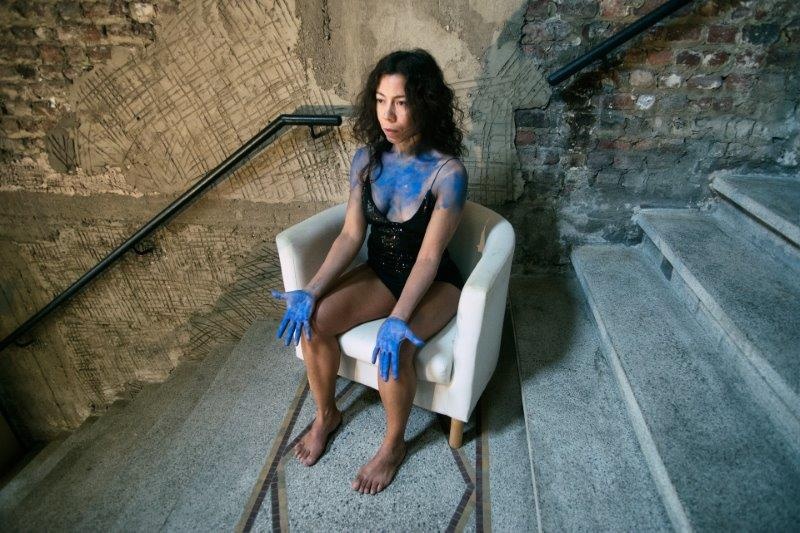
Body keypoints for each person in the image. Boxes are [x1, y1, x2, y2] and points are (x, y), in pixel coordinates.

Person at [271, 49, 468, 495]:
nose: (388, 115)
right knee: (313, 319)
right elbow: (349, 236)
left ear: (425, 104)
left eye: (400, 102)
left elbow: (428, 258)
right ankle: (327, 415)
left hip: (435, 282)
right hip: (381, 272)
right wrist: (310, 290)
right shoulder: (366, 160)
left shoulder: (448, 173)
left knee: (396, 346)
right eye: (380, 101)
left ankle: (393, 445)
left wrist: (398, 318)